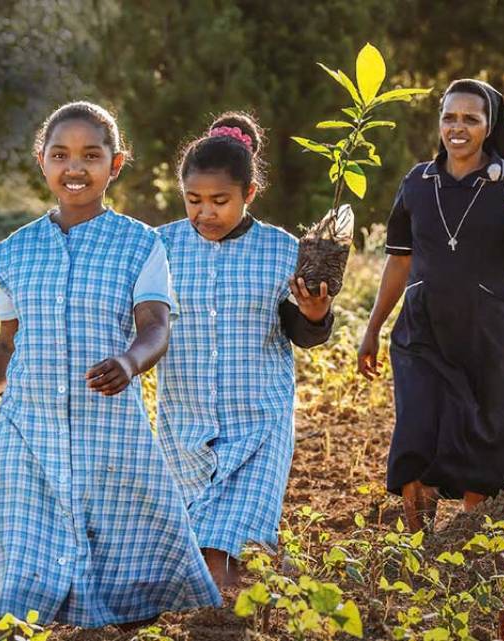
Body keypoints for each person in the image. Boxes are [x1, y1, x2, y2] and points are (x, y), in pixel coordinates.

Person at [0, 101, 220, 626]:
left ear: (115, 164)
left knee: (132, 574)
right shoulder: (15, 251)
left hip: (108, 431)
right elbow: (8, 349)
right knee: (19, 568)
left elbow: (156, 326)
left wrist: (129, 361)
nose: (74, 167)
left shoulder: (140, 244)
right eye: (60, 155)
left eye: (90, 155)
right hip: (27, 431)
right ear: (41, 161)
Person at [357, 79, 504, 531]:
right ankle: (420, 550)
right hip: (423, 330)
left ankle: (468, 544)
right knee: (417, 437)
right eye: (449, 117)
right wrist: (372, 328)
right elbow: (399, 261)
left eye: (471, 119)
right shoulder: (417, 182)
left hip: (490, 334)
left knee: (485, 447)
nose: (458, 127)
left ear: (489, 126)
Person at [155, 112, 335, 588]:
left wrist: (315, 313)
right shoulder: (159, 248)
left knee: (221, 554)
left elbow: (303, 331)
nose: (205, 213)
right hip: (183, 425)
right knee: (196, 549)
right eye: (193, 200)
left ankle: (227, 607)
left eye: (220, 201)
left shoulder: (282, 250)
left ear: (249, 193)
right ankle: (247, 589)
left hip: (258, 424)